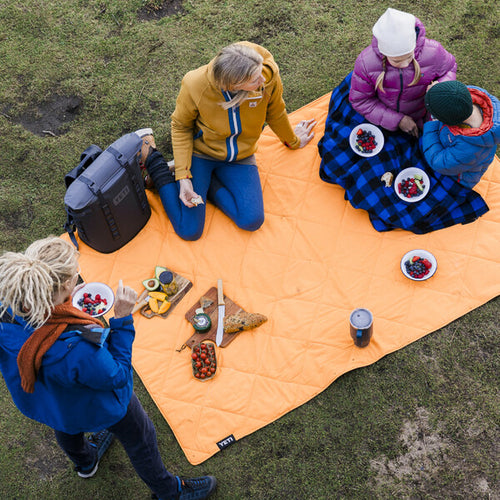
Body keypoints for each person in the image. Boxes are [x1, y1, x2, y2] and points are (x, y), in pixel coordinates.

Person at [0, 237, 216, 500]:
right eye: (73, 275)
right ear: (64, 286)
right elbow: (118, 374)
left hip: (52, 404)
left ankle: (86, 463)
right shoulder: (78, 346)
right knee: (141, 437)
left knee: (66, 427)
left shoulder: (8, 310)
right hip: (102, 406)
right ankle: (170, 492)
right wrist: (123, 319)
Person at [144, 41, 316, 241]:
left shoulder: (267, 75)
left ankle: (207, 186)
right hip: (202, 154)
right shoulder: (195, 84)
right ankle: (155, 161)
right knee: (189, 231)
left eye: (260, 72)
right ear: (233, 86)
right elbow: (181, 126)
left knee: (251, 220)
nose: (262, 80)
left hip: (240, 157)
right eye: (254, 80)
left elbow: (275, 112)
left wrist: (293, 141)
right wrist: (183, 178)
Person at [349, 7, 456, 137]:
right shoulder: (366, 64)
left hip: (425, 116)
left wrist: (441, 85)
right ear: (384, 54)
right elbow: (361, 100)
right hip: (385, 117)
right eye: (397, 61)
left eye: (409, 57)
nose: (405, 65)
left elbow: (449, 68)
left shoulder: (434, 52)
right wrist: (397, 120)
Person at [422, 80, 500, 188]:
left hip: (460, 177)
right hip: (459, 160)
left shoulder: (469, 148)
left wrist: (432, 124)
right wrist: (439, 91)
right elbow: (452, 96)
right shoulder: (467, 97)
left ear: (449, 121)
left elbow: (438, 162)